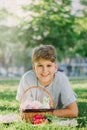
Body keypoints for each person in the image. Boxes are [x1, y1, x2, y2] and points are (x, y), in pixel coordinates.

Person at [16, 44, 78, 118]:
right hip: (53, 113)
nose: (44, 71)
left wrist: (44, 113)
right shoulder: (27, 79)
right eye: (40, 65)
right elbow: (25, 112)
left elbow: (73, 112)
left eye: (49, 65)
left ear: (55, 67)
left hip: (53, 113)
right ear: (34, 67)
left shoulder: (62, 80)